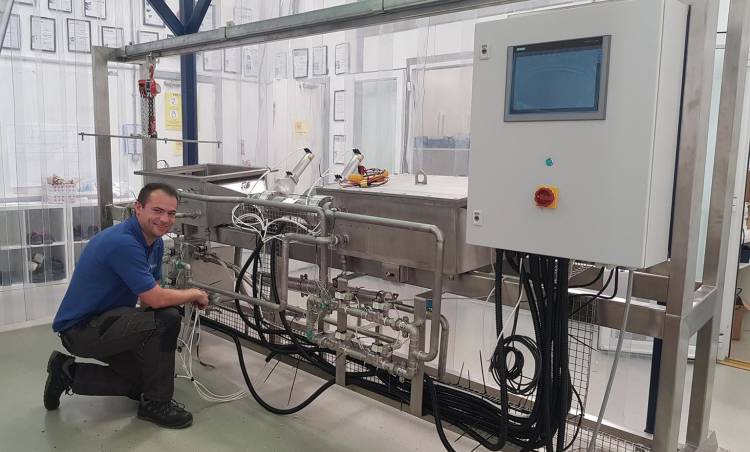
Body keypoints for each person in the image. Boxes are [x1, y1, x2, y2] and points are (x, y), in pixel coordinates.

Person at [44, 182, 209, 429]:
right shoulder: (123, 243)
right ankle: (156, 404)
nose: (165, 219)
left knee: (147, 379)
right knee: (168, 318)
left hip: (110, 321)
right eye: (157, 210)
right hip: (81, 330)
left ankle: (67, 374)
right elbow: (155, 299)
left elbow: (148, 300)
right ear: (138, 208)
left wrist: (148, 350)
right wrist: (194, 293)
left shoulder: (154, 243)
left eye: (171, 213)